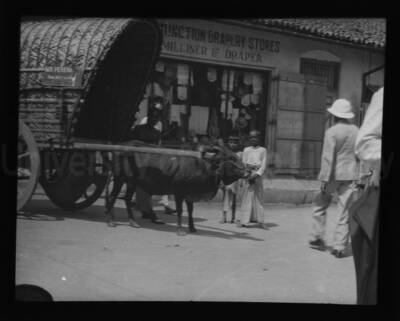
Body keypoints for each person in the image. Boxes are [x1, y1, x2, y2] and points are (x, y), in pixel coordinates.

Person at [309, 99, 359, 258]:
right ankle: (339, 247)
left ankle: (317, 237)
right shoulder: (356, 130)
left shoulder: (331, 131)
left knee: (319, 204)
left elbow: (328, 157)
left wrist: (324, 179)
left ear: (334, 114)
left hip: (332, 175)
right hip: (350, 174)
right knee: (344, 211)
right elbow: (359, 154)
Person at [351, 87, 383, 304]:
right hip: (359, 175)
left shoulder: (332, 133)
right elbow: (366, 143)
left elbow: (364, 147)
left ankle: (339, 242)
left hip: (356, 175)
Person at [135, 96, 177, 216]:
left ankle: (165, 204)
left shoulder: (159, 124)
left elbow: (158, 141)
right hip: (143, 155)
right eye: (154, 113)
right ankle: (143, 206)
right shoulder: (144, 121)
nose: (155, 117)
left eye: (158, 114)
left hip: (153, 154)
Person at [238, 130, 267, 228]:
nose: (253, 139)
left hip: (257, 175)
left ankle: (261, 221)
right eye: (251, 137)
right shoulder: (246, 150)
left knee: (259, 197)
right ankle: (244, 221)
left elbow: (263, 165)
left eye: (255, 137)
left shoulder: (263, 150)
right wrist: (248, 174)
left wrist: (256, 175)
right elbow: (244, 163)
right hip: (248, 174)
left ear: (259, 139)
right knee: (246, 197)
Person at [221, 135, 242, 224]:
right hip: (226, 177)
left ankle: (233, 217)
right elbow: (222, 166)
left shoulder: (240, 154)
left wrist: (241, 180)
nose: (233, 144)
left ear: (237, 144)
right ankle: (224, 217)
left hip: (235, 178)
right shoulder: (225, 153)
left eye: (235, 143)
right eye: (231, 142)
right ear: (228, 143)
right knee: (224, 198)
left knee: (233, 198)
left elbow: (241, 167)